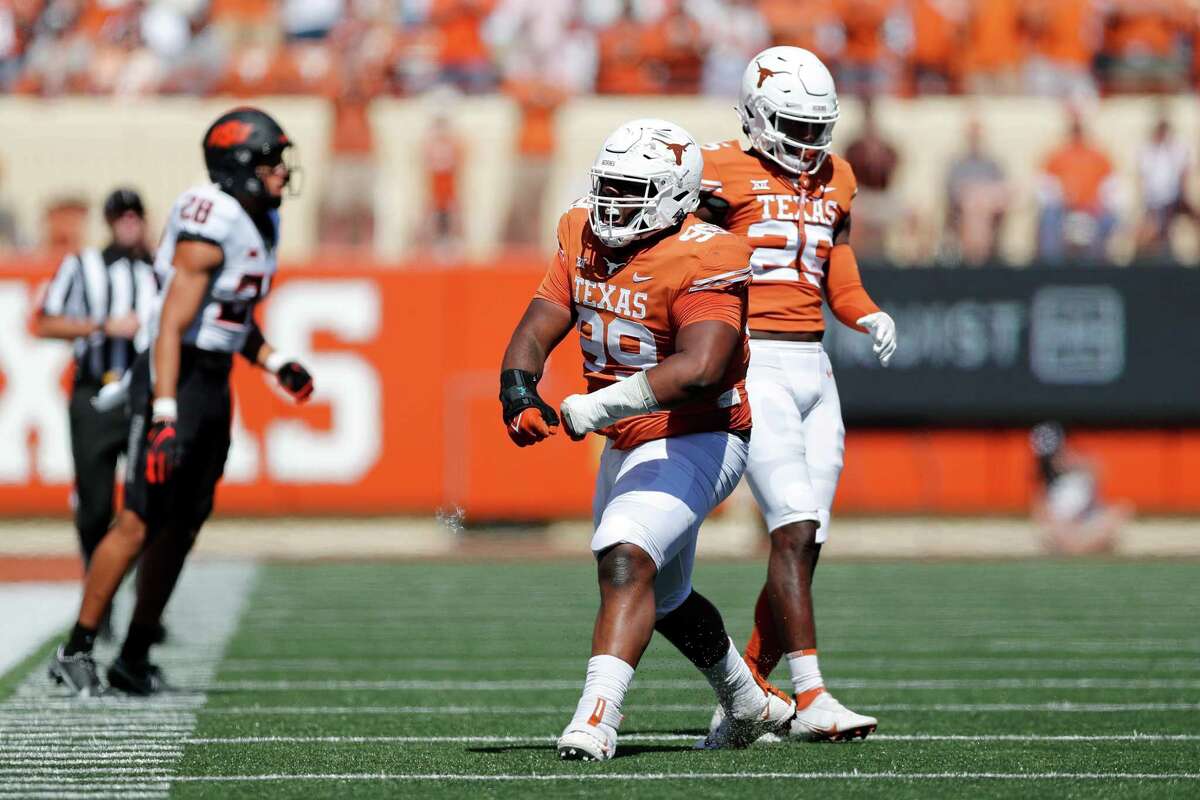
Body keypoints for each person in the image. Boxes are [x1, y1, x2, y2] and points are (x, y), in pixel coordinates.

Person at [500, 118, 794, 761]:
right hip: (628, 439)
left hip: (702, 434)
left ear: (674, 195)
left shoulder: (705, 254)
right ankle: (747, 701)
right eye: (607, 185)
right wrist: (518, 388)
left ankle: (596, 718)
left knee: (625, 556)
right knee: (663, 597)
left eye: (630, 189)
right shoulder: (582, 233)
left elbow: (704, 367)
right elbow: (540, 320)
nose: (611, 202)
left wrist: (599, 404)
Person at [48, 107, 315, 697]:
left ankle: (135, 654)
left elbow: (228, 320)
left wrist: (274, 362)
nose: (280, 173)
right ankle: (77, 649)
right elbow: (171, 324)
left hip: (212, 381)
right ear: (241, 165)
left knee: (185, 523)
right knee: (140, 516)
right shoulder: (212, 219)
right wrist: (165, 411)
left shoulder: (258, 220)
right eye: (271, 160)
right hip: (175, 377)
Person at [697, 46, 896, 743]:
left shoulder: (837, 177)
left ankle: (743, 695)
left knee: (808, 543)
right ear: (755, 116)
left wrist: (867, 312)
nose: (811, 143)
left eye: (819, 128)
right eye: (795, 126)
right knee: (791, 525)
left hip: (817, 368)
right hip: (756, 361)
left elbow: (838, 275)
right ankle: (810, 697)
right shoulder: (716, 169)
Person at [34, 189, 158, 571]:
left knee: (148, 503)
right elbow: (44, 322)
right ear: (109, 221)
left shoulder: (157, 270)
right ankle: (96, 588)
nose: (128, 222)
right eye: (121, 215)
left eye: (135, 214)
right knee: (95, 505)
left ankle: (143, 598)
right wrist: (103, 326)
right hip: (94, 395)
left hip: (143, 397)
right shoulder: (82, 266)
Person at [1036, 110, 1117, 265]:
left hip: (1093, 210)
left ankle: (1100, 269)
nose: (1077, 135)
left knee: (1110, 218)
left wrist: (1097, 203)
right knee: (1049, 217)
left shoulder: (1099, 156)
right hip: (1064, 209)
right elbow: (1044, 188)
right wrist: (1063, 199)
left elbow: (1112, 188)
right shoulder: (1057, 155)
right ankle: (1051, 269)